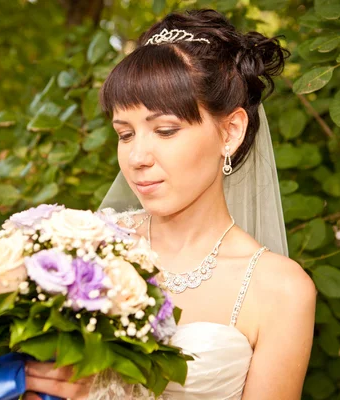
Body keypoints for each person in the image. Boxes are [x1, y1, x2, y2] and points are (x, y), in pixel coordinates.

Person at [23, 8, 316, 400]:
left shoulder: (282, 290)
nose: (137, 156)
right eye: (125, 134)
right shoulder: (82, 252)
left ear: (230, 131)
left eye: (164, 130)